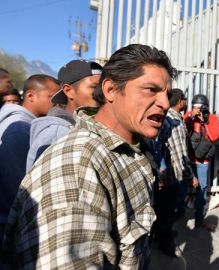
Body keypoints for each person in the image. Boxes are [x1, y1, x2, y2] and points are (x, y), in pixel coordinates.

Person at [1, 44, 176, 269]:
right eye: (151, 89)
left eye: (167, 94)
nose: (164, 103)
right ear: (111, 90)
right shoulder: (76, 165)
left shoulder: (132, 150)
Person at [0, 74, 59, 240]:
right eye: (51, 96)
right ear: (30, 95)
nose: (56, 101)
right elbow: (17, 185)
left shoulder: (24, 123)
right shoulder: (19, 128)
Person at [26, 60, 102, 171]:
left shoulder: (85, 126)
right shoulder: (57, 134)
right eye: (95, 87)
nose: (103, 93)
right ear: (69, 91)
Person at [151, 88, 196, 257]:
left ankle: (162, 235)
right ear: (180, 102)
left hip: (165, 175)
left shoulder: (172, 118)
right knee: (169, 210)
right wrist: (190, 176)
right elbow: (179, 154)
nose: (186, 102)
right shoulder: (172, 122)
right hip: (172, 177)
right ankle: (165, 241)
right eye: (185, 99)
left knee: (163, 210)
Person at [184, 94, 219, 228]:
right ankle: (179, 214)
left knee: (202, 189)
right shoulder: (189, 116)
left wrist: (205, 121)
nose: (198, 110)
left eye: (200, 108)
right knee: (182, 188)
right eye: (195, 107)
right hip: (188, 159)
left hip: (202, 162)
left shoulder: (212, 118)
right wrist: (191, 117)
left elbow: (214, 136)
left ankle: (199, 218)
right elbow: (182, 130)